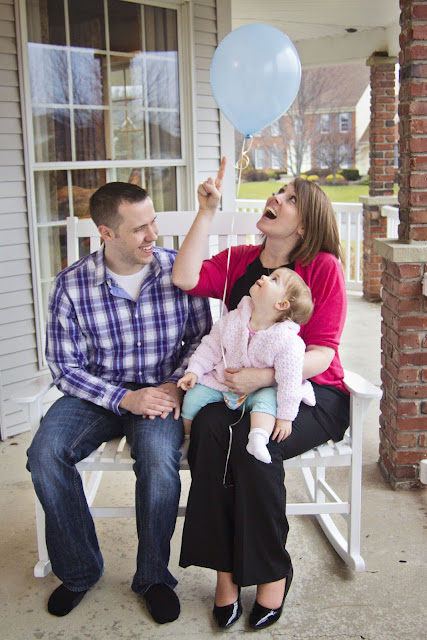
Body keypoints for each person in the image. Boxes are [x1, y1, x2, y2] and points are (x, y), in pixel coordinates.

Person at [172, 157, 350, 630]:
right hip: (234, 392)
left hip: (309, 395)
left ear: (305, 224)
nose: (276, 197)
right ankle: (225, 573)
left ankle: (272, 571)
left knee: (256, 452)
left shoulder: (321, 268)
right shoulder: (240, 262)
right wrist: (206, 212)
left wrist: (263, 377)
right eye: (278, 191)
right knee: (209, 434)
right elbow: (184, 277)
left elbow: (322, 354)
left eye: (290, 199)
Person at [26, 182, 212, 624]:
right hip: (96, 393)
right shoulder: (71, 285)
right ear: (106, 233)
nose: (153, 235)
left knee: (158, 460)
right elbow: (64, 367)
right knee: (45, 455)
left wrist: (175, 386)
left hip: (160, 390)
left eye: (153, 223)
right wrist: (123, 398)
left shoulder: (178, 272)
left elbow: (203, 339)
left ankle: (153, 577)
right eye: (139, 228)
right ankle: (79, 571)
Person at [177, 267, 315, 465]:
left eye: (274, 280)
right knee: (193, 397)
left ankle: (258, 438)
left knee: (268, 403)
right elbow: (211, 346)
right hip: (222, 383)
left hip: (259, 390)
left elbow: (289, 381)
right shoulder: (233, 319)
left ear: (281, 304)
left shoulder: (288, 341)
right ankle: (188, 439)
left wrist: (286, 417)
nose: (264, 276)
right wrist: (194, 371)